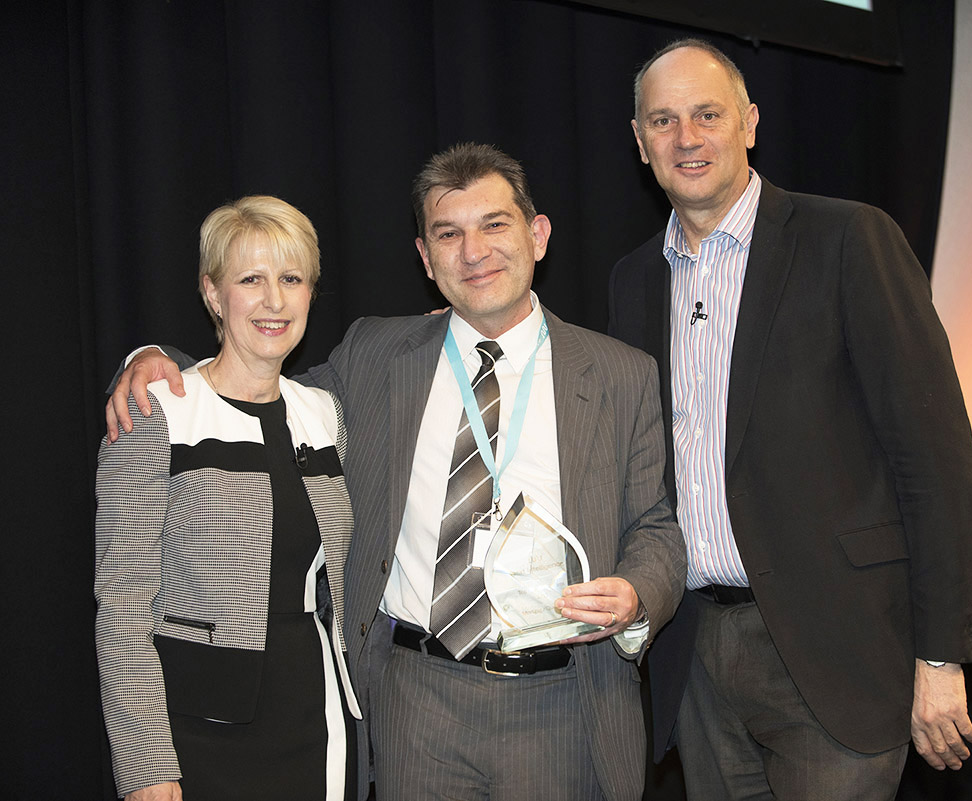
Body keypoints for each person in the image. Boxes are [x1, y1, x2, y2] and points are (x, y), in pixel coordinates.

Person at [107, 143, 686, 801]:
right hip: (415, 703)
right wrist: (153, 359)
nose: (474, 251)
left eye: (494, 224)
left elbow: (656, 528)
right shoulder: (375, 353)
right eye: (449, 233)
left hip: (562, 703)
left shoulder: (620, 374)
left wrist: (637, 593)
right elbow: (256, 387)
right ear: (426, 258)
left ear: (538, 235)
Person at [608, 39, 972, 800]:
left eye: (707, 114)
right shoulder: (633, 279)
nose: (687, 137)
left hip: (838, 650)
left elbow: (935, 458)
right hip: (694, 659)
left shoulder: (848, 239)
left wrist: (941, 654)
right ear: (640, 142)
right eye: (664, 120)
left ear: (749, 123)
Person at [95, 196, 359, 801]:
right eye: (250, 280)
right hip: (193, 732)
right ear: (213, 293)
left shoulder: (324, 413)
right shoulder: (157, 412)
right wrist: (145, 766)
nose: (274, 301)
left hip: (316, 717)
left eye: (291, 279)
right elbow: (122, 606)